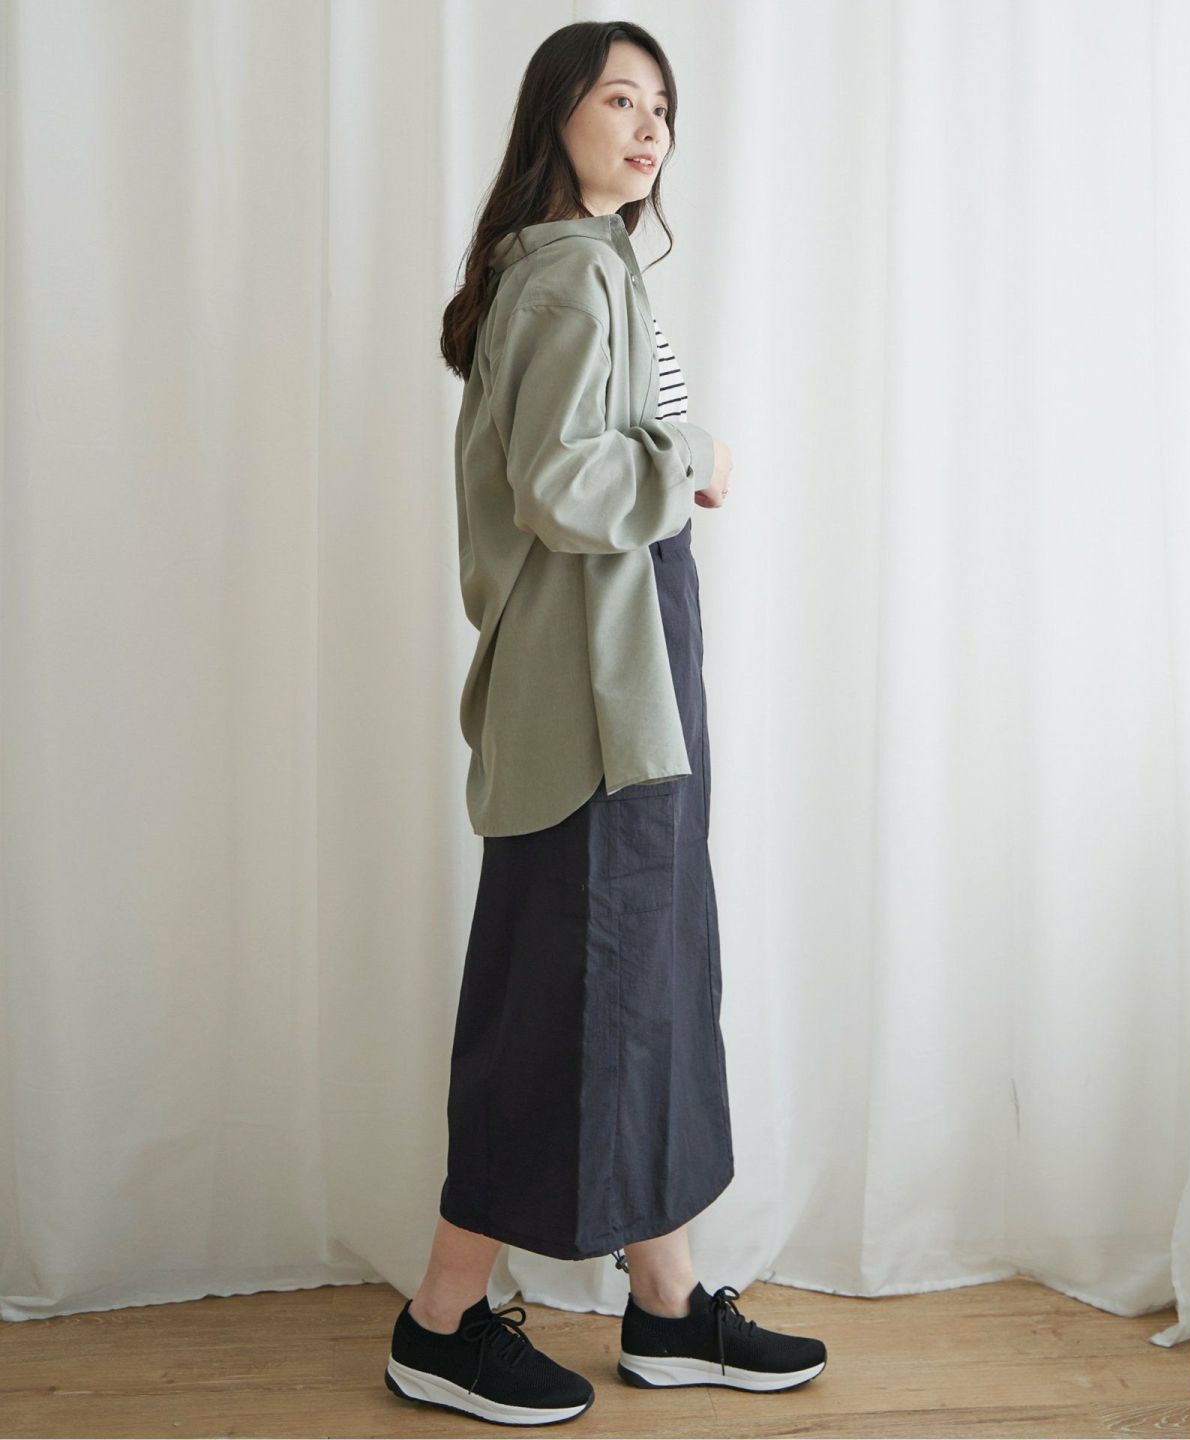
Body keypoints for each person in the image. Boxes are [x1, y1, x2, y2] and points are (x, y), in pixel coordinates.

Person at [385, 20, 827, 1426]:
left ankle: (668, 1307)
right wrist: (696, 454)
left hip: (621, 669)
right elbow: (564, 484)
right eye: (620, 100)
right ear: (556, 118)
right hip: (594, 693)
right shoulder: (575, 272)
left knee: (640, 989)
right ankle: (440, 1323)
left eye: (663, 108)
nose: (650, 129)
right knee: (563, 1005)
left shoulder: (592, 263)